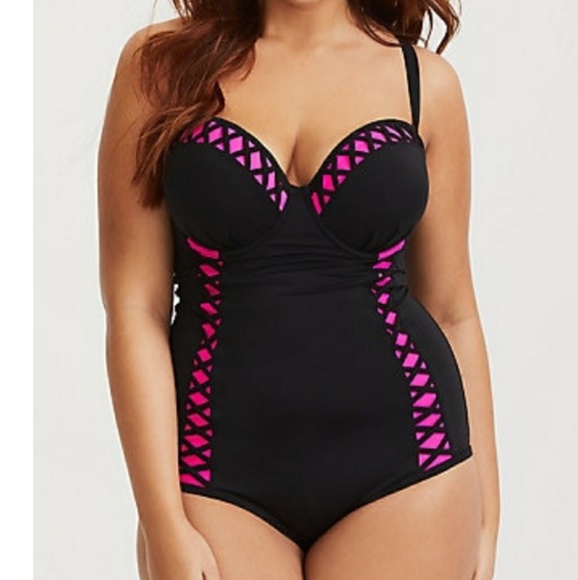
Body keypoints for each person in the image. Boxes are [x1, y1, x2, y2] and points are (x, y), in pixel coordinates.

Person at [98, 1, 500, 579]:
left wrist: (488, 515)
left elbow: (452, 310)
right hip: (213, 473)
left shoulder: (425, 85)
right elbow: (135, 308)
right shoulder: (160, 67)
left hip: (411, 467)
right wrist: (162, 520)